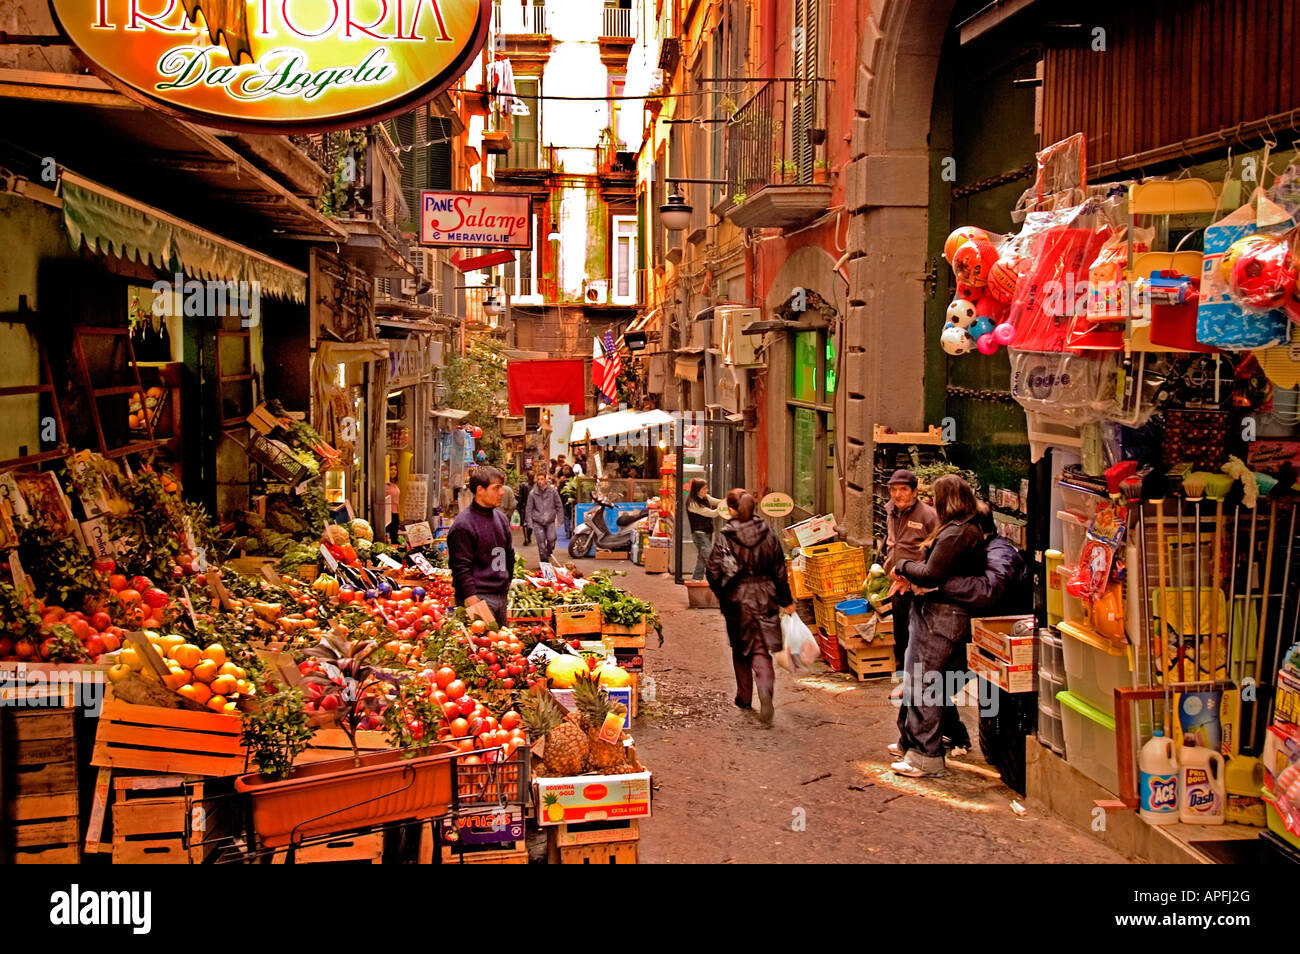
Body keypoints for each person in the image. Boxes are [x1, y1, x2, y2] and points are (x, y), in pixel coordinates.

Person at [889, 474, 984, 777]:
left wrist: (903, 567)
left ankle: (926, 755)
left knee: (924, 680)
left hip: (942, 615)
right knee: (918, 678)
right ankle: (912, 743)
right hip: (936, 611)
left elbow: (931, 573)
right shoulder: (961, 528)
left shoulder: (958, 532)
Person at [706, 489, 796, 727]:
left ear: (734, 510)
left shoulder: (727, 536)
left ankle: (744, 696)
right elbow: (780, 570)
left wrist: (724, 596)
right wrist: (786, 600)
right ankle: (765, 691)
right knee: (760, 649)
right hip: (766, 598)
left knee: (740, 647)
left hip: (737, 600)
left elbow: (713, 571)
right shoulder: (769, 534)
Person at [883, 469, 938, 679]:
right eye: (894, 490)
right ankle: (901, 669)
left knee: (918, 631)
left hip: (918, 584)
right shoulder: (891, 510)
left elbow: (936, 552)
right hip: (898, 581)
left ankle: (916, 673)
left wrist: (912, 577)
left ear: (914, 491)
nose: (897, 495)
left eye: (903, 490)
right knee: (901, 628)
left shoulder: (928, 515)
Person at [446, 466, 515, 626]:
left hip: (500, 595)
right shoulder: (464, 525)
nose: (502, 492)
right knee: (482, 647)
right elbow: (460, 568)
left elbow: (509, 555)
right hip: (478, 597)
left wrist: (505, 585)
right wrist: (472, 601)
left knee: (501, 646)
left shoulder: (501, 517)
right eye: (496, 488)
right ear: (480, 490)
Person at [686, 478, 725, 581]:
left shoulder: (705, 497)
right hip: (699, 534)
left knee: (702, 558)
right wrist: (724, 508)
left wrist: (727, 502)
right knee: (709, 556)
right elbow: (711, 513)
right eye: (704, 489)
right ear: (697, 490)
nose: (706, 490)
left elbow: (718, 502)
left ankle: (696, 579)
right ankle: (719, 580)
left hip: (707, 532)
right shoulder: (692, 503)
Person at [525, 471, 563, 564]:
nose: (540, 481)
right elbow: (529, 508)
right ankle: (544, 562)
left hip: (550, 520)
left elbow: (559, 505)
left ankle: (548, 552)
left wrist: (560, 519)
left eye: (542, 479)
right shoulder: (533, 493)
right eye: (538, 479)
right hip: (538, 521)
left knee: (552, 539)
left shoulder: (553, 492)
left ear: (546, 480)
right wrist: (529, 523)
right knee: (541, 543)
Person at [384, 462, 401, 544]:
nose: (393, 471)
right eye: (391, 469)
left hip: (395, 513)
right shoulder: (385, 485)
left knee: (394, 537)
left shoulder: (394, 484)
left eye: (395, 470)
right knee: (389, 538)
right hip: (388, 514)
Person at [518, 472, 533, 545]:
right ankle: (528, 537)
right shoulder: (535, 486)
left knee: (525, 522)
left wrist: (519, 506)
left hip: (525, 506)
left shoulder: (523, 485)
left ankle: (526, 537)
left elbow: (520, 497)